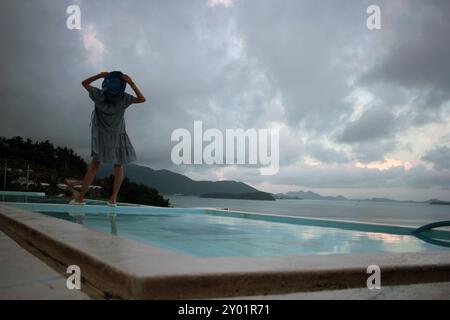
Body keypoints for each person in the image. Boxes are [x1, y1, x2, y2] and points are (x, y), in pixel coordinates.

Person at [69, 71, 146, 206]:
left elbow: (84, 83)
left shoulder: (99, 95)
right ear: (122, 86)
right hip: (118, 136)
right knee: (118, 165)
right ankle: (113, 199)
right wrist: (131, 82)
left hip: (102, 136)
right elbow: (142, 99)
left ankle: (80, 198)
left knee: (94, 165)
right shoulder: (124, 98)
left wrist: (100, 75)